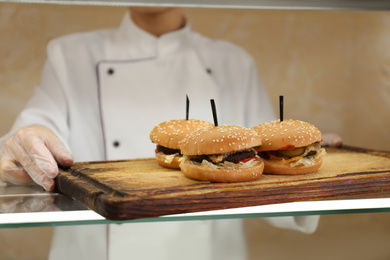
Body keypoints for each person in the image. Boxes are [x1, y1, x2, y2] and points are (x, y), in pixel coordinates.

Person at [0, 7, 333, 260]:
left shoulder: (233, 62)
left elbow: (270, 174)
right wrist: (25, 141)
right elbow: (33, 130)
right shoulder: (69, 55)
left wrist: (316, 166)